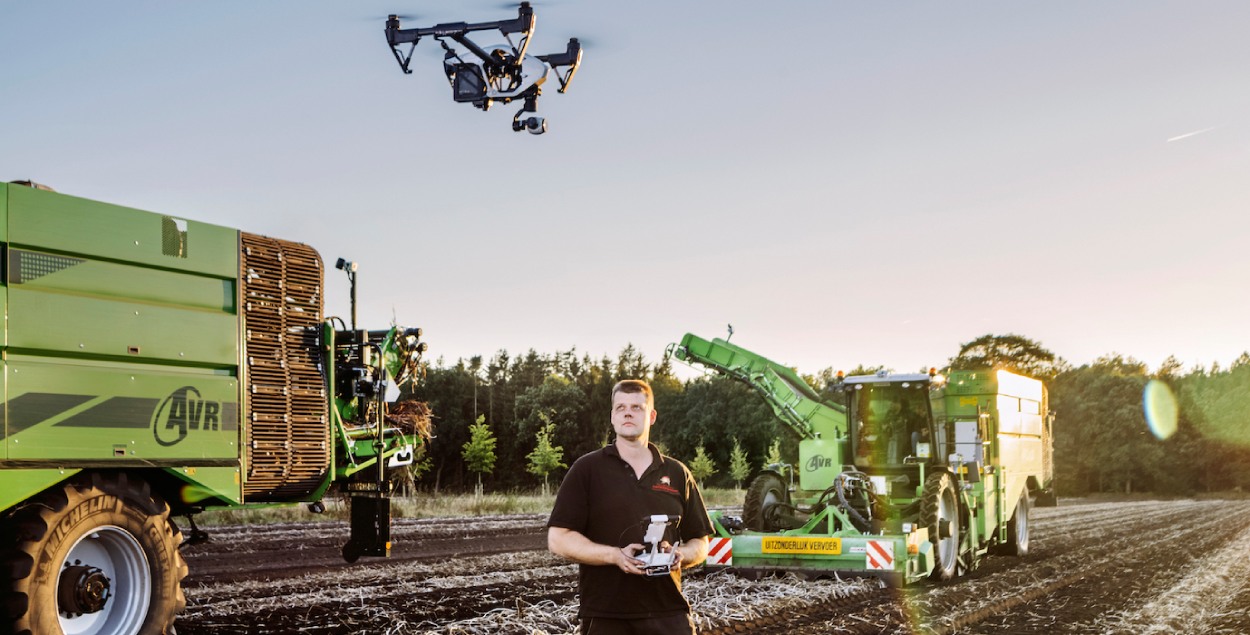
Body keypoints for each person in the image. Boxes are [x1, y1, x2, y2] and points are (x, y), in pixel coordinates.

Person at [547, 379, 713, 635]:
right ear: (612, 416)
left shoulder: (677, 473)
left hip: (667, 613)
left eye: (637, 407)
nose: (627, 412)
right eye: (620, 407)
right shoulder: (587, 470)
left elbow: (700, 542)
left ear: (652, 416)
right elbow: (558, 539)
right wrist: (615, 556)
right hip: (606, 615)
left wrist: (682, 556)